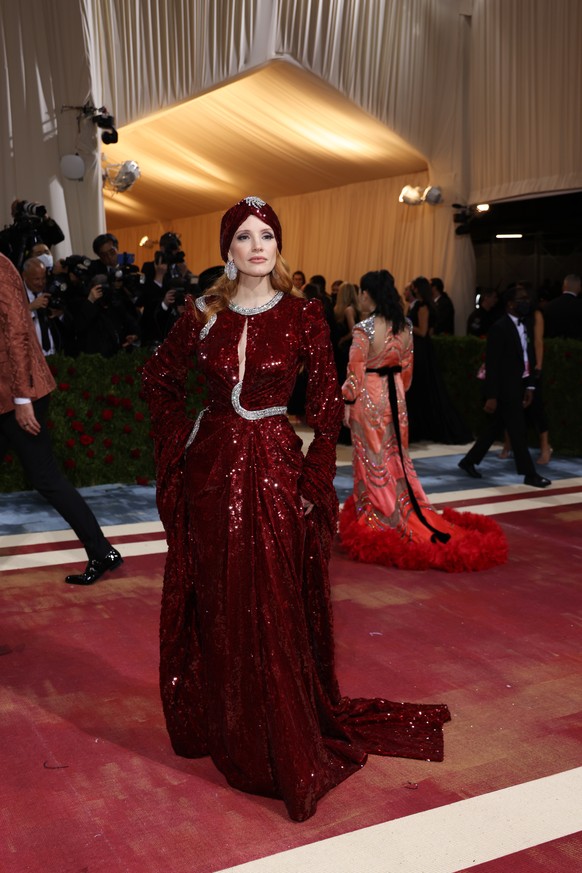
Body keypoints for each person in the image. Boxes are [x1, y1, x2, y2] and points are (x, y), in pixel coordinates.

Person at [141, 196, 450, 822]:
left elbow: (329, 406)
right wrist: (191, 434)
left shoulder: (306, 314)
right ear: (228, 249)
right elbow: (157, 381)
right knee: (223, 598)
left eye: (268, 237)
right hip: (212, 473)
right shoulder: (200, 315)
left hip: (277, 469)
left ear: (278, 248)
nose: (258, 247)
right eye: (245, 237)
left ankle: (279, 728)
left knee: (275, 596)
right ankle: (232, 725)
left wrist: (313, 479)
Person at [340, 270, 507, 572]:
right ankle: (399, 510)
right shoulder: (404, 325)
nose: (361, 297)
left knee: (372, 460)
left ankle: (381, 517)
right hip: (396, 399)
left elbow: (355, 371)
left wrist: (349, 402)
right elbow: (407, 372)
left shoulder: (364, 329)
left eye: (363, 292)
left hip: (370, 396)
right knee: (396, 458)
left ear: (370, 294)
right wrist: (397, 394)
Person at [0, 253, 123, 585]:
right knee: (46, 478)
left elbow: (17, 333)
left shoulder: (0, 266)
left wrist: (23, 398)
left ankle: (101, 551)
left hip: (19, 395)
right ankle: (102, 550)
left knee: (46, 479)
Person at [458, 285, 551, 488]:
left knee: (495, 428)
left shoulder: (525, 324)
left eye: (527, 298)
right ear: (510, 304)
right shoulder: (499, 328)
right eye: (522, 299)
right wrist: (491, 395)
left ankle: (468, 461)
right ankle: (529, 474)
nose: (526, 302)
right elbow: (492, 364)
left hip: (520, 384)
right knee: (517, 430)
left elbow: (528, 357)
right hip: (505, 388)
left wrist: (531, 386)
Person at [405, 276, 472, 444]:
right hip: (422, 349)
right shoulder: (427, 306)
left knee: (421, 387)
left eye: (413, 287)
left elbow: (423, 331)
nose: (411, 290)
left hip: (420, 349)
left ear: (418, 289)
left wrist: (405, 326)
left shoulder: (423, 307)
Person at [542, 274, 582, 339]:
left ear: (563, 287)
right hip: (577, 346)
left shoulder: (549, 306)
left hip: (554, 346)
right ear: (579, 288)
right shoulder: (579, 305)